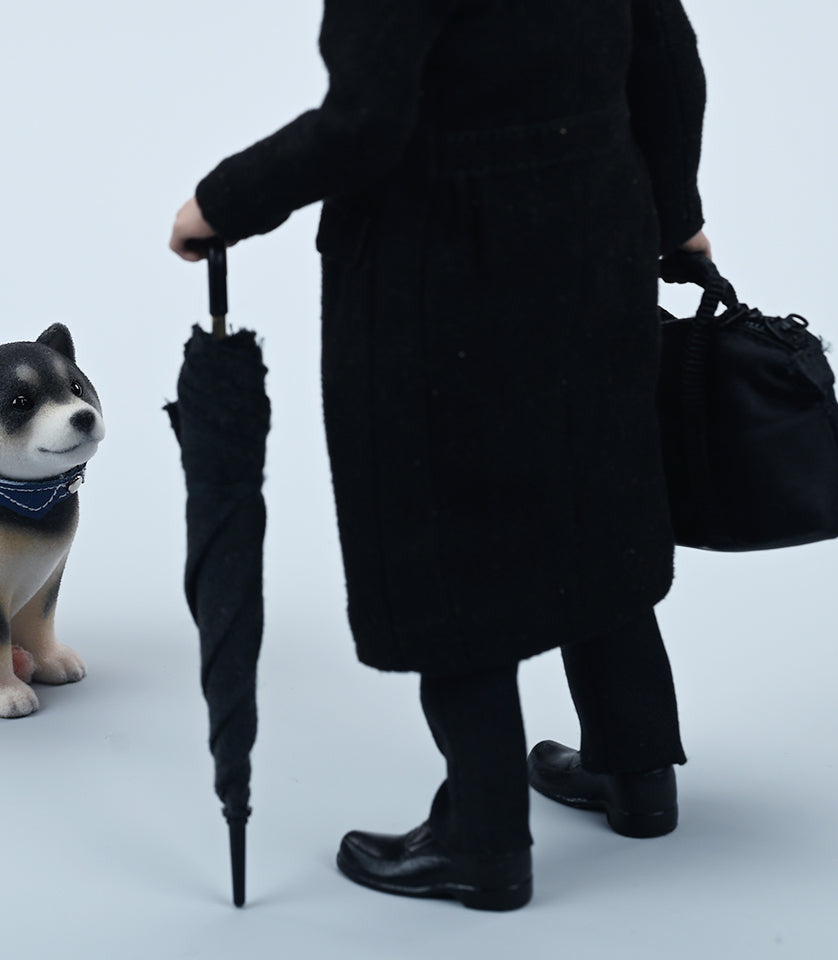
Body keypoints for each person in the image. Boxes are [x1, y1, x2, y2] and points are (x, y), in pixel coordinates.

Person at [169, 0, 709, 911]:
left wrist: (224, 200)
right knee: (595, 488)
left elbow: (367, 124)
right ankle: (635, 768)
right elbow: (669, 61)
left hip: (446, 262)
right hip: (593, 231)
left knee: (445, 530)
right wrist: (676, 211)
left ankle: (482, 835)